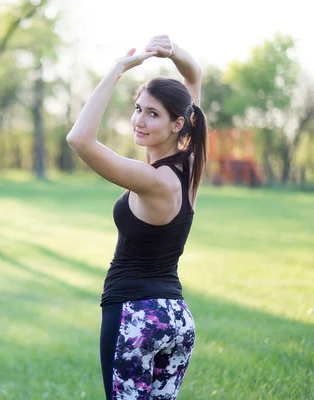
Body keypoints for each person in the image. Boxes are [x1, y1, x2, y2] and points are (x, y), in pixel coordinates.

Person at [66, 35, 207, 400]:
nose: (139, 120)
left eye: (152, 113)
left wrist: (117, 69)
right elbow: (194, 78)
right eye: (138, 108)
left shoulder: (152, 180)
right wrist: (175, 53)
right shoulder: (188, 168)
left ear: (178, 124)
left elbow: (80, 139)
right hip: (176, 320)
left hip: (135, 318)